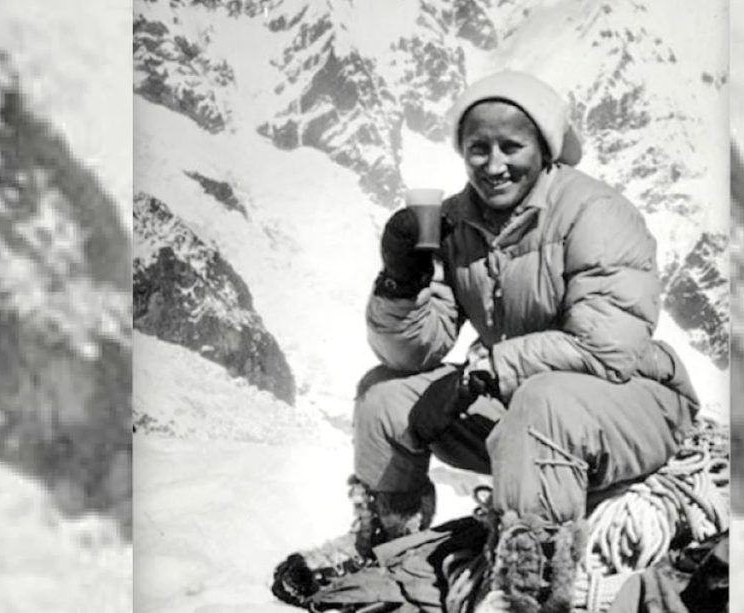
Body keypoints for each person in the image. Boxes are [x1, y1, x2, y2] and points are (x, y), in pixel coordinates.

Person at [283, 70, 700, 612]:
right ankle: (381, 541)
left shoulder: (596, 212)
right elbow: (413, 352)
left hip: (636, 404)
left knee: (542, 400)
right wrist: (400, 280)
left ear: (544, 148)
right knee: (384, 396)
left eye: (511, 146)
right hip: (524, 406)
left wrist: (485, 371)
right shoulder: (458, 221)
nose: (494, 164)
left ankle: (528, 582)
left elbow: (608, 348)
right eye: (478, 148)